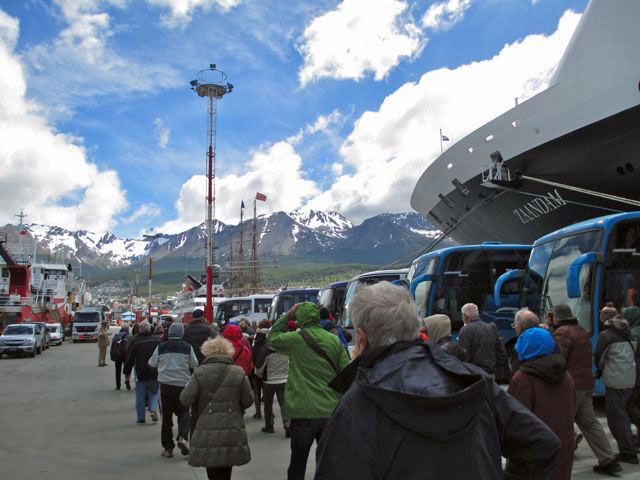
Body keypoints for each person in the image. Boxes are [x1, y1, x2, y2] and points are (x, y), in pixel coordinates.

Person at [315, 282, 561, 480]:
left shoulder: (357, 404)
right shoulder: (473, 380)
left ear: (361, 338)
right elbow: (542, 444)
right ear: (414, 326)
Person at [267, 302, 350, 480]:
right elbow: (346, 372)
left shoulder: (295, 339)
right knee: (328, 462)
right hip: (329, 410)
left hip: (302, 410)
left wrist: (287, 315)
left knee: (298, 462)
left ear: (299, 318)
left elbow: (271, 338)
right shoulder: (333, 340)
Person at [549, 304, 621, 474]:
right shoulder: (580, 329)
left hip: (572, 385)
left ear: (556, 317)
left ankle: (559, 463)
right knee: (590, 422)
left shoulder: (562, 333)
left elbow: (558, 359)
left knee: (563, 424)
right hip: (586, 383)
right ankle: (608, 458)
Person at [180, 337, 253, 480]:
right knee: (226, 469)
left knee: (212, 470)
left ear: (206, 352)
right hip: (231, 427)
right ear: (228, 352)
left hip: (206, 427)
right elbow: (248, 400)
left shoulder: (199, 372)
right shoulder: (238, 372)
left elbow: (185, 399)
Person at [508, 327, 576, 480]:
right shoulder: (566, 375)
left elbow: (515, 424)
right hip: (562, 448)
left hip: (534, 456)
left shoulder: (522, 378)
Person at [149, 322, 198, 458]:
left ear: (169, 333)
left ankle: (168, 448)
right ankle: (183, 437)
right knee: (184, 414)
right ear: (182, 333)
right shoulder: (187, 347)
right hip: (182, 385)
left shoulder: (161, 347)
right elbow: (194, 364)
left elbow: (152, 363)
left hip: (165, 386)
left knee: (166, 418)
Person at [595, 314, 639, 464]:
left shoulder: (605, 336)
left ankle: (628, 451)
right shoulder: (631, 334)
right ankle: (632, 442)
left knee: (616, 418)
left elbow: (599, 357)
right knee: (628, 410)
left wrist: (599, 372)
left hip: (615, 381)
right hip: (630, 378)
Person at [124, 320, 161, 424]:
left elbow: (130, 358)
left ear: (140, 329)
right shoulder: (157, 340)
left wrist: (126, 371)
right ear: (150, 328)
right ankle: (153, 408)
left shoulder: (136, 341)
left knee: (140, 396)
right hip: (155, 372)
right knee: (155, 392)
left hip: (140, 373)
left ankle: (141, 418)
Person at [457, 303, 506, 376]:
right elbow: (501, 353)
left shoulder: (465, 331)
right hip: (491, 373)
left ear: (465, 316)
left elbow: (463, 357)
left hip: (474, 375)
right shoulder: (491, 328)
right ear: (477, 314)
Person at [255, 341, 290, 436]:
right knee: (284, 403)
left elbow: (259, 368)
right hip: (284, 380)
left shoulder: (266, 353)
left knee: (268, 405)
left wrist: (259, 374)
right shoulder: (287, 351)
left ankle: (269, 426)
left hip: (269, 381)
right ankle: (287, 423)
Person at [251, 320, 271, 419]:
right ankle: (270, 412)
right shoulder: (271, 337)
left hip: (256, 367)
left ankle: (258, 411)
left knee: (257, 391)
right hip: (269, 368)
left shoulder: (256, 337)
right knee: (267, 392)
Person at [110, 324, 131, 390]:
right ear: (127, 329)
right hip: (126, 355)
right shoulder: (130, 336)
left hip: (118, 355)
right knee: (127, 368)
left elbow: (113, 346)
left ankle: (118, 385)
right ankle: (127, 380)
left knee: (118, 370)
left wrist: (112, 355)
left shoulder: (116, 335)